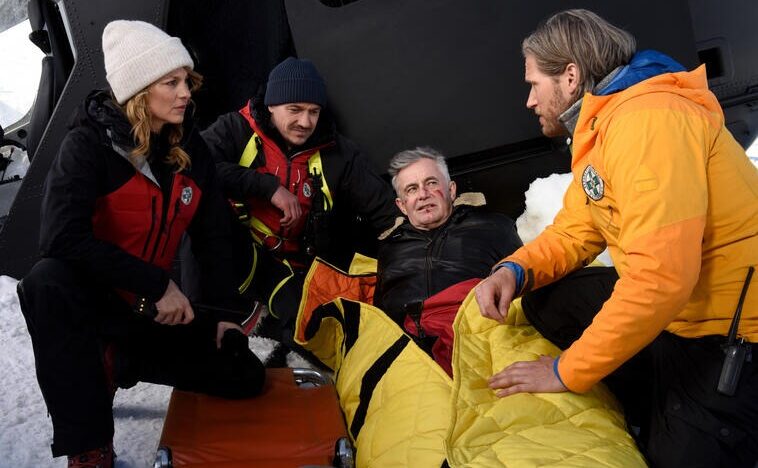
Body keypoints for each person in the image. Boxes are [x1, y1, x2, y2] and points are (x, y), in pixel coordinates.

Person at [475, 9, 758, 467]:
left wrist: (566, 372)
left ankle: (673, 407)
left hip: (729, 335)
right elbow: (576, 230)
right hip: (675, 313)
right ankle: (651, 391)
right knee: (546, 298)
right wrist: (516, 269)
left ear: (570, 76)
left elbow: (660, 278)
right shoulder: (604, 130)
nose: (529, 101)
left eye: (533, 84)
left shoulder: (648, 121)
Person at [17, 20, 266, 467]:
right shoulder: (85, 147)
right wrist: (156, 283)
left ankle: (117, 361)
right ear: (137, 91)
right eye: (171, 82)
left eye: (186, 80)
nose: (185, 92)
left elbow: (212, 238)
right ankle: (88, 444)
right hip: (97, 306)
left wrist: (224, 316)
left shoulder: (192, 150)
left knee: (244, 375)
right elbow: (60, 238)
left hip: (146, 314)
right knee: (45, 282)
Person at [202, 57, 398, 345]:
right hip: (240, 256)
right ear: (270, 105)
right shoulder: (235, 128)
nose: (304, 122)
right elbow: (195, 168)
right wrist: (268, 187)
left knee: (320, 333)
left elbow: (385, 211)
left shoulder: (339, 152)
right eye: (294, 110)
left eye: (313, 112)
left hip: (302, 270)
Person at [375, 147, 522, 324]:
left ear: (451, 190)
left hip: (474, 335)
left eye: (431, 183)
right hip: (408, 346)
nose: (423, 194)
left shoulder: (494, 226)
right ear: (402, 206)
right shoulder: (389, 249)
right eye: (412, 189)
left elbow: (523, 284)